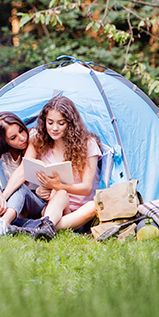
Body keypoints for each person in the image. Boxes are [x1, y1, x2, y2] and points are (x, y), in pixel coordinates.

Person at [25, 95, 101, 232]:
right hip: (56, 207)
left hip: (81, 212)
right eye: (50, 122)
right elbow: (28, 174)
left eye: (61, 123)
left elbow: (87, 188)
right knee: (60, 194)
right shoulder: (41, 144)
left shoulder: (88, 144)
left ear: (70, 124)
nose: (54, 128)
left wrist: (58, 185)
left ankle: (42, 228)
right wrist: (40, 190)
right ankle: (46, 227)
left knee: (94, 206)